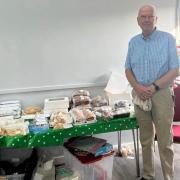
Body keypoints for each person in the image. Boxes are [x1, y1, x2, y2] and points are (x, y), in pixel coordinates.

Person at [125, 4, 179, 180]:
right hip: (139, 94)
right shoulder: (133, 42)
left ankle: (168, 177)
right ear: (138, 20)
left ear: (156, 19)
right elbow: (127, 69)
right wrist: (137, 87)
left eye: (150, 16)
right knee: (146, 140)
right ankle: (148, 176)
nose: (146, 19)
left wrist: (154, 87)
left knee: (165, 141)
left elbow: (175, 69)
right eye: (143, 16)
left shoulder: (168, 39)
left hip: (161, 94)